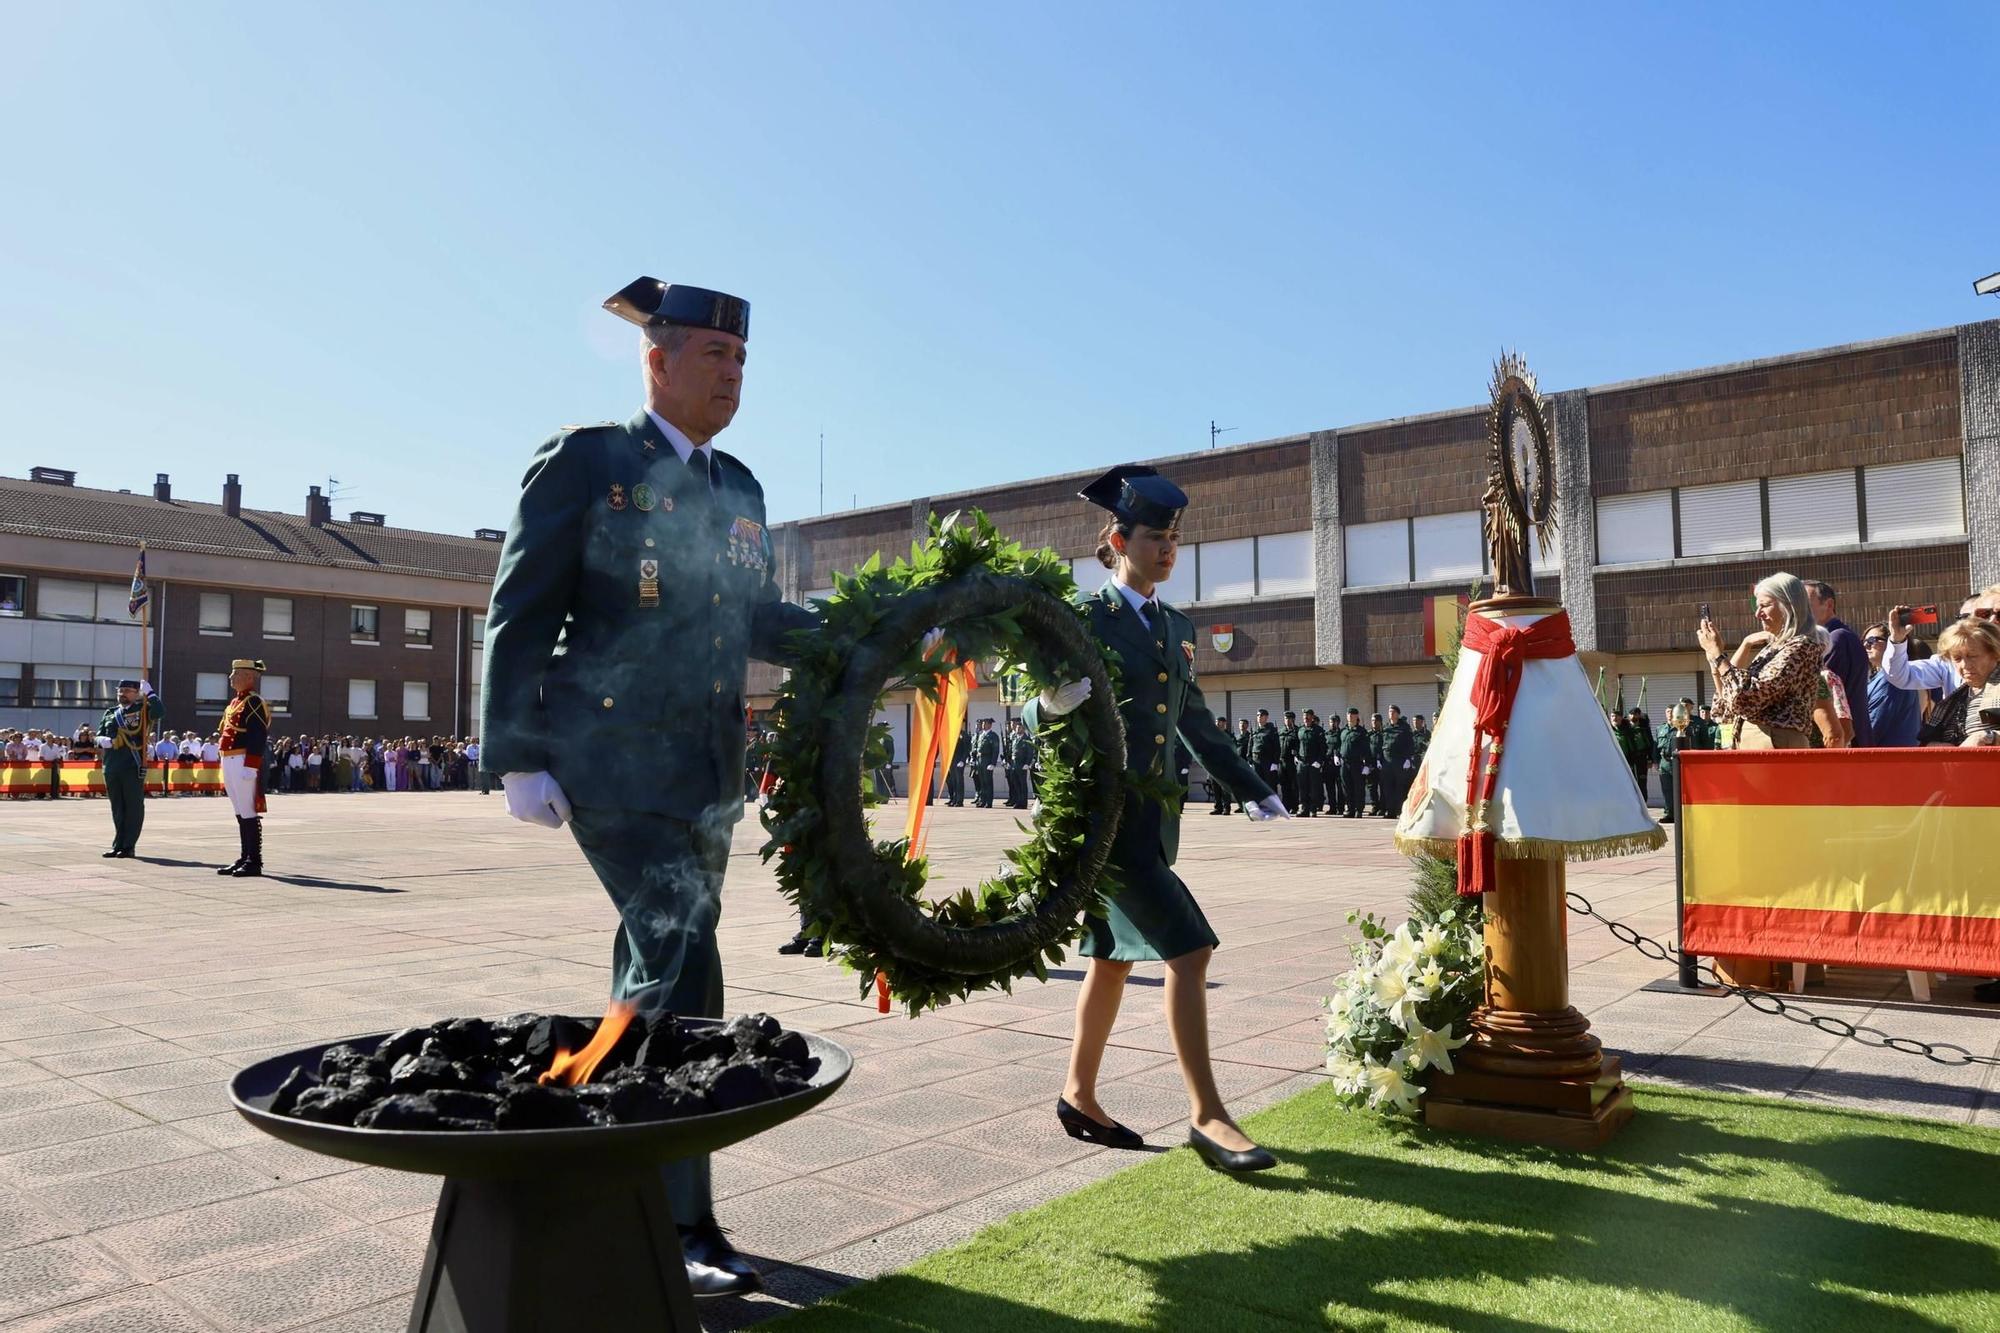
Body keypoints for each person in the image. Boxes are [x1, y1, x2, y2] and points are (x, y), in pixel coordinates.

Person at [479, 277, 818, 1297]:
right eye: (714, 355)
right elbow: (520, 603)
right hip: (609, 757)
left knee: (659, 963)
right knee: (683, 960)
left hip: (704, 769)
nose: (733, 373)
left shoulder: (739, 488)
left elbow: (759, 621)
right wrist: (515, 752)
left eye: (742, 359)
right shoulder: (589, 461)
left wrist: (875, 633)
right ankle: (677, 1224)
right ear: (656, 359)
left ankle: (595, 1158)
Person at [1027, 463, 1286, 1173]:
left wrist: (1252, 785)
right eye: (1154, 536)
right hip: (1109, 824)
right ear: (1117, 539)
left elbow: (1193, 719)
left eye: (1175, 537)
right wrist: (1048, 705)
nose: (1168, 548)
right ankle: (1207, 1114)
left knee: (1112, 960)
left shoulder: (1175, 623)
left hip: (1153, 822)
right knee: (1190, 948)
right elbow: (1028, 698)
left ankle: (1078, 1092)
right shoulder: (1086, 619)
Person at [1700, 573, 1825, 750]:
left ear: (1789, 606)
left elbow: (1748, 697)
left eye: (1765, 605)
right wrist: (1715, 656)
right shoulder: (1773, 648)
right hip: (1756, 740)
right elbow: (1724, 706)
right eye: (1756, 606)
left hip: (1773, 740)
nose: (1758, 614)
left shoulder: (1802, 646)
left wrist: (1718, 656)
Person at [216, 660, 272, 876]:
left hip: (242, 759)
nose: (231, 678)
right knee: (239, 811)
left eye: (235, 673)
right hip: (228, 758)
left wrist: (251, 765)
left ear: (249, 676)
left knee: (248, 811)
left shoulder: (254, 702)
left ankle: (254, 861)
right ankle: (244, 856)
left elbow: (258, 735)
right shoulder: (233, 703)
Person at [96, 680, 163, 857]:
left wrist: (151, 694)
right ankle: (118, 844)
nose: (122, 694)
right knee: (117, 807)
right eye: (120, 691)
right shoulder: (111, 713)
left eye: (127, 691)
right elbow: (98, 735)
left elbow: (159, 712)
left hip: (131, 765)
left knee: (133, 807)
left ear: (136, 693)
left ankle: (128, 845)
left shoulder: (142, 710)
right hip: (111, 765)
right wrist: (104, 741)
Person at [1918, 618, 2000, 748]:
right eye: (1957, 658)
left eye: (1973, 656)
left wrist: (1989, 737)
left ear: (1995, 654)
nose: (1965, 665)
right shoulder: (1959, 697)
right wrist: (1936, 746)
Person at [1861, 623, 1922, 747]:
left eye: (1873, 640)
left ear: (1891, 642)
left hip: (1889, 760)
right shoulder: (1883, 676)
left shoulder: (1890, 679)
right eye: (1864, 640)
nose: (1866, 645)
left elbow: (1873, 729)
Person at [1655, 702, 1709, 824]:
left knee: (1682, 789)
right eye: (1667, 712)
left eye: (1671, 712)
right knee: (1667, 790)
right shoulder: (1660, 728)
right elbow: (1656, 746)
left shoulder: (1685, 728)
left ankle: (1684, 812)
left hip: (1679, 761)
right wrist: (1655, 761)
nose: (1669, 714)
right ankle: (1669, 813)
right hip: (1665, 762)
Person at [1381, 705, 1415, 818]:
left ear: (1398, 714)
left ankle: (1400, 811)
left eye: (1393, 712)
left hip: (1400, 761)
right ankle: (1390, 811)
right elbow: (1382, 745)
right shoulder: (1386, 727)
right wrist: (1379, 759)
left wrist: (1408, 759)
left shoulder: (1404, 728)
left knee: (1400, 787)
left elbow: (1410, 744)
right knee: (1388, 787)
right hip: (1387, 761)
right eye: (1389, 711)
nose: (1391, 714)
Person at [1338, 707, 1370, 818]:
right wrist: (1337, 755)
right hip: (1344, 763)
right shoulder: (1344, 731)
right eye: (1348, 714)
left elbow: (1367, 749)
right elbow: (1339, 746)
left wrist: (1367, 765)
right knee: (1346, 787)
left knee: (1358, 787)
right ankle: (1350, 808)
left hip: (1357, 763)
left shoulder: (1362, 732)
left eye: (1352, 714)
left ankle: (1359, 809)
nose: (1350, 716)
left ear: (1357, 716)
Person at [1297, 709, 1328, 816]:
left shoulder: (1318, 730)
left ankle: (1313, 809)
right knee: (1303, 787)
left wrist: (1319, 761)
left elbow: (1323, 748)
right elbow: (1297, 745)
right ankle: (1304, 808)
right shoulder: (1300, 730)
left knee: (1314, 787)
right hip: (1302, 763)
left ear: (1312, 717)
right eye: (1304, 717)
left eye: (1308, 716)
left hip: (1313, 762)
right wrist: (1296, 756)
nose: (1306, 718)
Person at [1208, 716, 1236, 815]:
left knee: (1225, 788)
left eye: (1219, 722)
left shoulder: (1229, 736)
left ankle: (1226, 808)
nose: (1217, 724)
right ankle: (1218, 807)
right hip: (1213, 766)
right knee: (1215, 788)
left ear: (1224, 723)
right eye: (1216, 722)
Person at [1006, 720, 1035, 809]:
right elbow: (1011, 752)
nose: (1017, 729)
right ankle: (1018, 801)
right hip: (1014, 764)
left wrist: (1027, 763)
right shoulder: (1015, 738)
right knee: (1016, 784)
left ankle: (1023, 802)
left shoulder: (1027, 740)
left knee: (1022, 784)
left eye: (1019, 727)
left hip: (1022, 764)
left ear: (1023, 729)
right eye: (1017, 727)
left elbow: (1030, 753)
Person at [972, 718, 1000, 808]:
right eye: (983, 724)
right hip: (980, 761)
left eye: (985, 724)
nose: (983, 725)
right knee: (982, 782)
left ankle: (988, 802)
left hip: (987, 760)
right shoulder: (981, 735)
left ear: (990, 725)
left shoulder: (993, 736)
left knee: (988, 782)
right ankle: (982, 801)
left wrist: (993, 763)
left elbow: (995, 750)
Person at [1251, 709, 1280, 793]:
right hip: (1256, 761)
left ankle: (1271, 806)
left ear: (1266, 717)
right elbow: (1251, 745)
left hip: (1268, 762)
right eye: (1258, 715)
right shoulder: (1255, 730)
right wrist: (1249, 759)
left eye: (1261, 715)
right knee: (1257, 785)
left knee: (1270, 785)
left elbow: (1277, 747)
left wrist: (1275, 762)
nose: (1259, 717)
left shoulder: (1271, 730)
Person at [1276, 710, 1300, 813]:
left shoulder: (1297, 731)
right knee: (1284, 785)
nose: (1287, 720)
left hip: (1292, 761)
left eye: (1289, 718)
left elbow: (1300, 745)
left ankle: (1294, 806)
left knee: (1293, 785)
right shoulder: (1281, 731)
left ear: (1293, 719)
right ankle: (1285, 806)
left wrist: (1297, 753)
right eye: (1286, 718)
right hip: (1282, 761)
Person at [944, 726, 970, 806]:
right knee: (953, 780)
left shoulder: (964, 735)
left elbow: (966, 749)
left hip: (959, 761)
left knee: (959, 781)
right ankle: (954, 799)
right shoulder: (951, 734)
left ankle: (959, 800)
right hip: (952, 760)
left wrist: (963, 760)